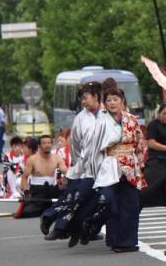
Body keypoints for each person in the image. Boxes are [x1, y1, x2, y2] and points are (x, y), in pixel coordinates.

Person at [77, 81, 147, 251]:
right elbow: (94, 149)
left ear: (122, 101)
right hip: (109, 165)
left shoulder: (132, 120)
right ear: (104, 103)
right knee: (111, 203)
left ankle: (128, 242)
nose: (112, 103)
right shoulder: (101, 122)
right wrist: (94, 169)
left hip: (130, 165)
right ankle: (114, 239)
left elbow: (140, 143)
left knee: (130, 205)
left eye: (115, 99)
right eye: (108, 100)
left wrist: (140, 164)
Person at [41, 81, 103, 240]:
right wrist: (78, 164)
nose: (83, 102)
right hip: (85, 165)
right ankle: (56, 223)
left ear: (96, 96)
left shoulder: (106, 113)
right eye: (82, 98)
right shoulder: (81, 118)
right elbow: (75, 143)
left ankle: (77, 227)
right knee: (77, 196)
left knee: (91, 199)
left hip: (103, 166)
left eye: (85, 98)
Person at [18, 135, 67, 218]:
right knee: (28, 212)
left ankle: (49, 209)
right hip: (37, 191)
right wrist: (26, 190)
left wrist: (66, 181)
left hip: (52, 190)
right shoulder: (33, 159)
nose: (47, 145)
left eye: (49, 143)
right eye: (44, 143)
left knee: (65, 208)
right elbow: (24, 177)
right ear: (39, 146)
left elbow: (66, 172)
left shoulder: (57, 158)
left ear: (52, 145)